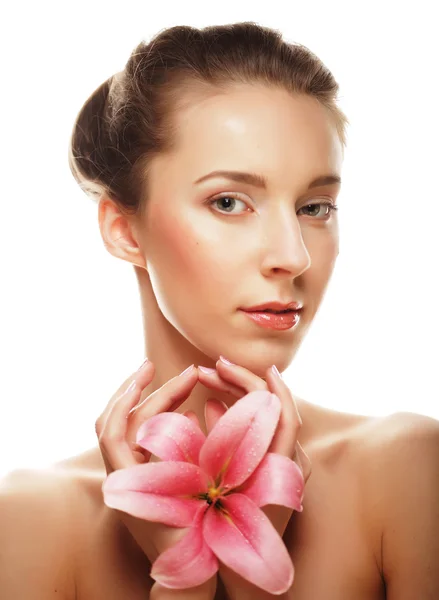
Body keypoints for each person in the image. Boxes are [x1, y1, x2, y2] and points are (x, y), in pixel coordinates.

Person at [1, 21, 438, 600]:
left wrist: (244, 571)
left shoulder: (407, 473)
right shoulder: (30, 521)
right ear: (124, 230)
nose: (293, 255)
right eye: (229, 202)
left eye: (315, 206)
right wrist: (188, 579)